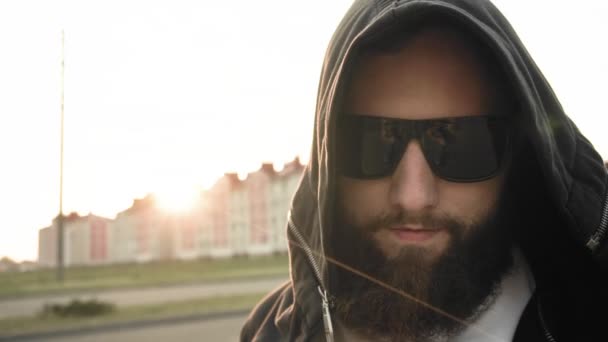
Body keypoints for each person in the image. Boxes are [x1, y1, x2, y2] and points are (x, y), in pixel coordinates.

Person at [241, 1, 608, 341]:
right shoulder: (272, 330)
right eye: (372, 140)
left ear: (517, 157)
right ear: (327, 158)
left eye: (461, 141)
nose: (413, 195)